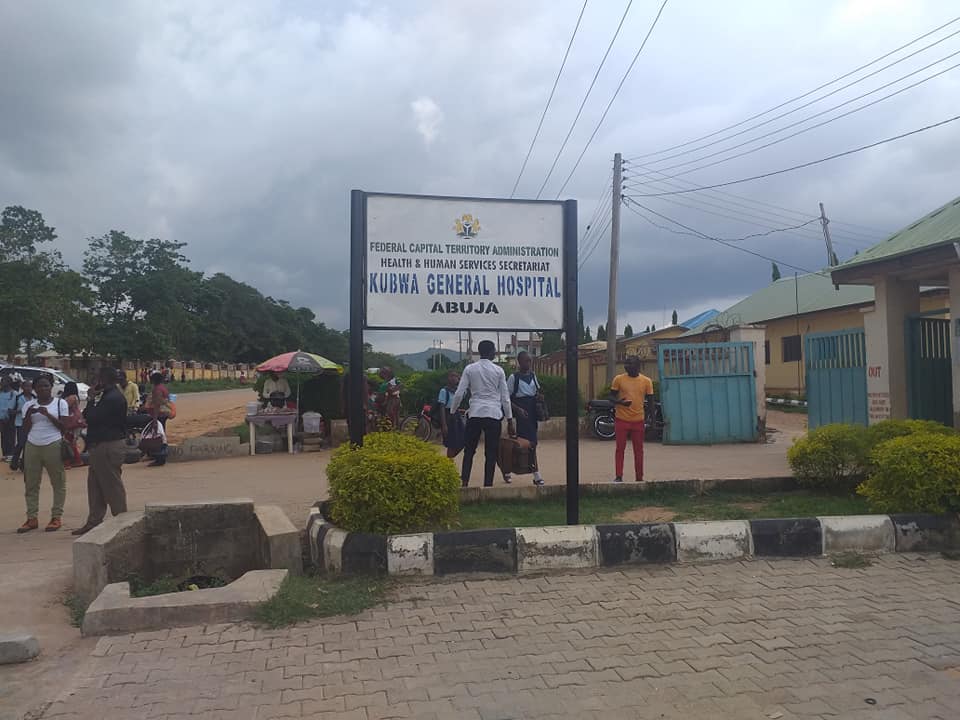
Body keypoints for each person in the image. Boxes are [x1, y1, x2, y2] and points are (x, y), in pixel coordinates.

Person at [73, 367, 129, 536]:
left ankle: (123, 522)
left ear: (103, 379)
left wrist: (90, 399)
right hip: (99, 445)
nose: (94, 382)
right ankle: (94, 521)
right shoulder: (107, 396)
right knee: (95, 485)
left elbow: (91, 417)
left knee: (112, 485)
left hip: (108, 445)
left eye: (97, 378)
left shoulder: (112, 398)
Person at [451, 340, 515, 488]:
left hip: (475, 414)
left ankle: (465, 482)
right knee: (491, 453)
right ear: (491, 352)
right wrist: (510, 420)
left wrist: (452, 411)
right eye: (494, 350)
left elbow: (460, 392)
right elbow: (505, 397)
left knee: (469, 451)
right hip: (493, 414)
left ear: (480, 352)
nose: (495, 353)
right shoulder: (499, 371)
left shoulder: (470, 369)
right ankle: (488, 486)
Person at [17, 375, 69, 533]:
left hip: (53, 443)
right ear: (34, 389)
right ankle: (32, 518)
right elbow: (25, 430)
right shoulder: (28, 405)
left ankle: (56, 517)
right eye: (40, 386)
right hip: (32, 444)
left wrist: (47, 414)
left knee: (58, 482)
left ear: (51, 387)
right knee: (31, 483)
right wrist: (28, 415)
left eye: (46, 386)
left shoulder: (60, 403)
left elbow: (64, 427)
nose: (43, 389)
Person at [610, 355, 655, 483]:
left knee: (639, 450)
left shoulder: (646, 381)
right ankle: (619, 476)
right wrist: (620, 402)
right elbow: (611, 397)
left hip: (638, 420)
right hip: (621, 419)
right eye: (626, 364)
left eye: (630, 364)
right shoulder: (618, 379)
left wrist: (652, 422)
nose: (626, 366)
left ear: (637, 366)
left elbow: (651, 402)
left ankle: (639, 477)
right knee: (620, 449)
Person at [505, 351, 544, 486]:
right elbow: (506, 398)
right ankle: (535, 474)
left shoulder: (533, 375)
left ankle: (510, 470)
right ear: (519, 362)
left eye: (530, 361)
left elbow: (537, 391)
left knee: (531, 443)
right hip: (519, 413)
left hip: (531, 412)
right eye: (526, 361)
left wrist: (539, 398)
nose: (529, 363)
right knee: (522, 444)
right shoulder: (513, 377)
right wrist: (517, 410)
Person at [144, 372, 172, 467]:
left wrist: (155, 420)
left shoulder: (157, 390)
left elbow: (157, 405)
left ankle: (159, 458)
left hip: (159, 415)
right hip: (163, 414)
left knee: (157, 436)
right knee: (161, 434)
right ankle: (158, 456)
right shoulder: (163, 388)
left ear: (153, 380)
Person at [438, 370, 465, 459]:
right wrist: (444, 425)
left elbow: (465, 390)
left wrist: (461, 380)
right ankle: (449, 462)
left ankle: (449, 459)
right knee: (451, 443)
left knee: (463, 440)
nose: (453, 378)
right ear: (448, 378)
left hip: (456, 417)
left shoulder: (458, 391)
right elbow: (441, 407)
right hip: (448, 418)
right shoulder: (444, 391)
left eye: (456, 376)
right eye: (451, 376)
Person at [9, 379, 34, 471]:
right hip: (20, 423)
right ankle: (14, 462)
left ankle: (24, 464)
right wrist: (21, 410)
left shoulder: (34, 398)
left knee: (28, 444)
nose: (28, 388)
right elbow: (11, 411)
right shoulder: (18, 397)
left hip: (32, 424)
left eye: (30, 386)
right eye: (26, 386)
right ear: (22, 387)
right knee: (21, 443)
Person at [60, 382, 86, 468]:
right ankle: (75, 460)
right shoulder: (75, 396)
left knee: (67, 442)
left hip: (70, 422)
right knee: (70, 442)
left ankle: (70, 461)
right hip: (75, 421)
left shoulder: (70, 398)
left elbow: (64, 407)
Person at [0, 376, 17, 461]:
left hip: (9, 419)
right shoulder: (1, 393)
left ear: (9, 383)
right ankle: (5, 453)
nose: (2, 383)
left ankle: (10, 454)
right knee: (3, 436)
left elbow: (11, 406)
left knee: (10, 436)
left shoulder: (13, 394)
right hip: (1, 418)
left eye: (4, 381)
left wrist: (7, 416)